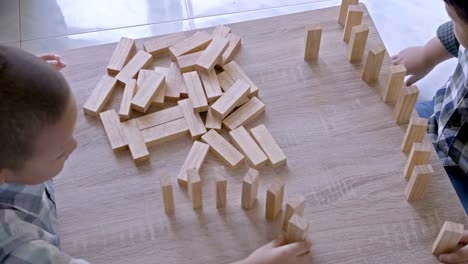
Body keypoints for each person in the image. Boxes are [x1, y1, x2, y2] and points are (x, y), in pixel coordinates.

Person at [0, 45, 310, 263]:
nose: (75, 146)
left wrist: (20, 83)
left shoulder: (13, 155)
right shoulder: (18, 250)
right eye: (59, 153)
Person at [392, 1, 468, 263]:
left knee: (433, 237)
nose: (455, 27)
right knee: (385, 126)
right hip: (441, 119)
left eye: (457, 22)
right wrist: (428, 55)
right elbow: (458, 35)